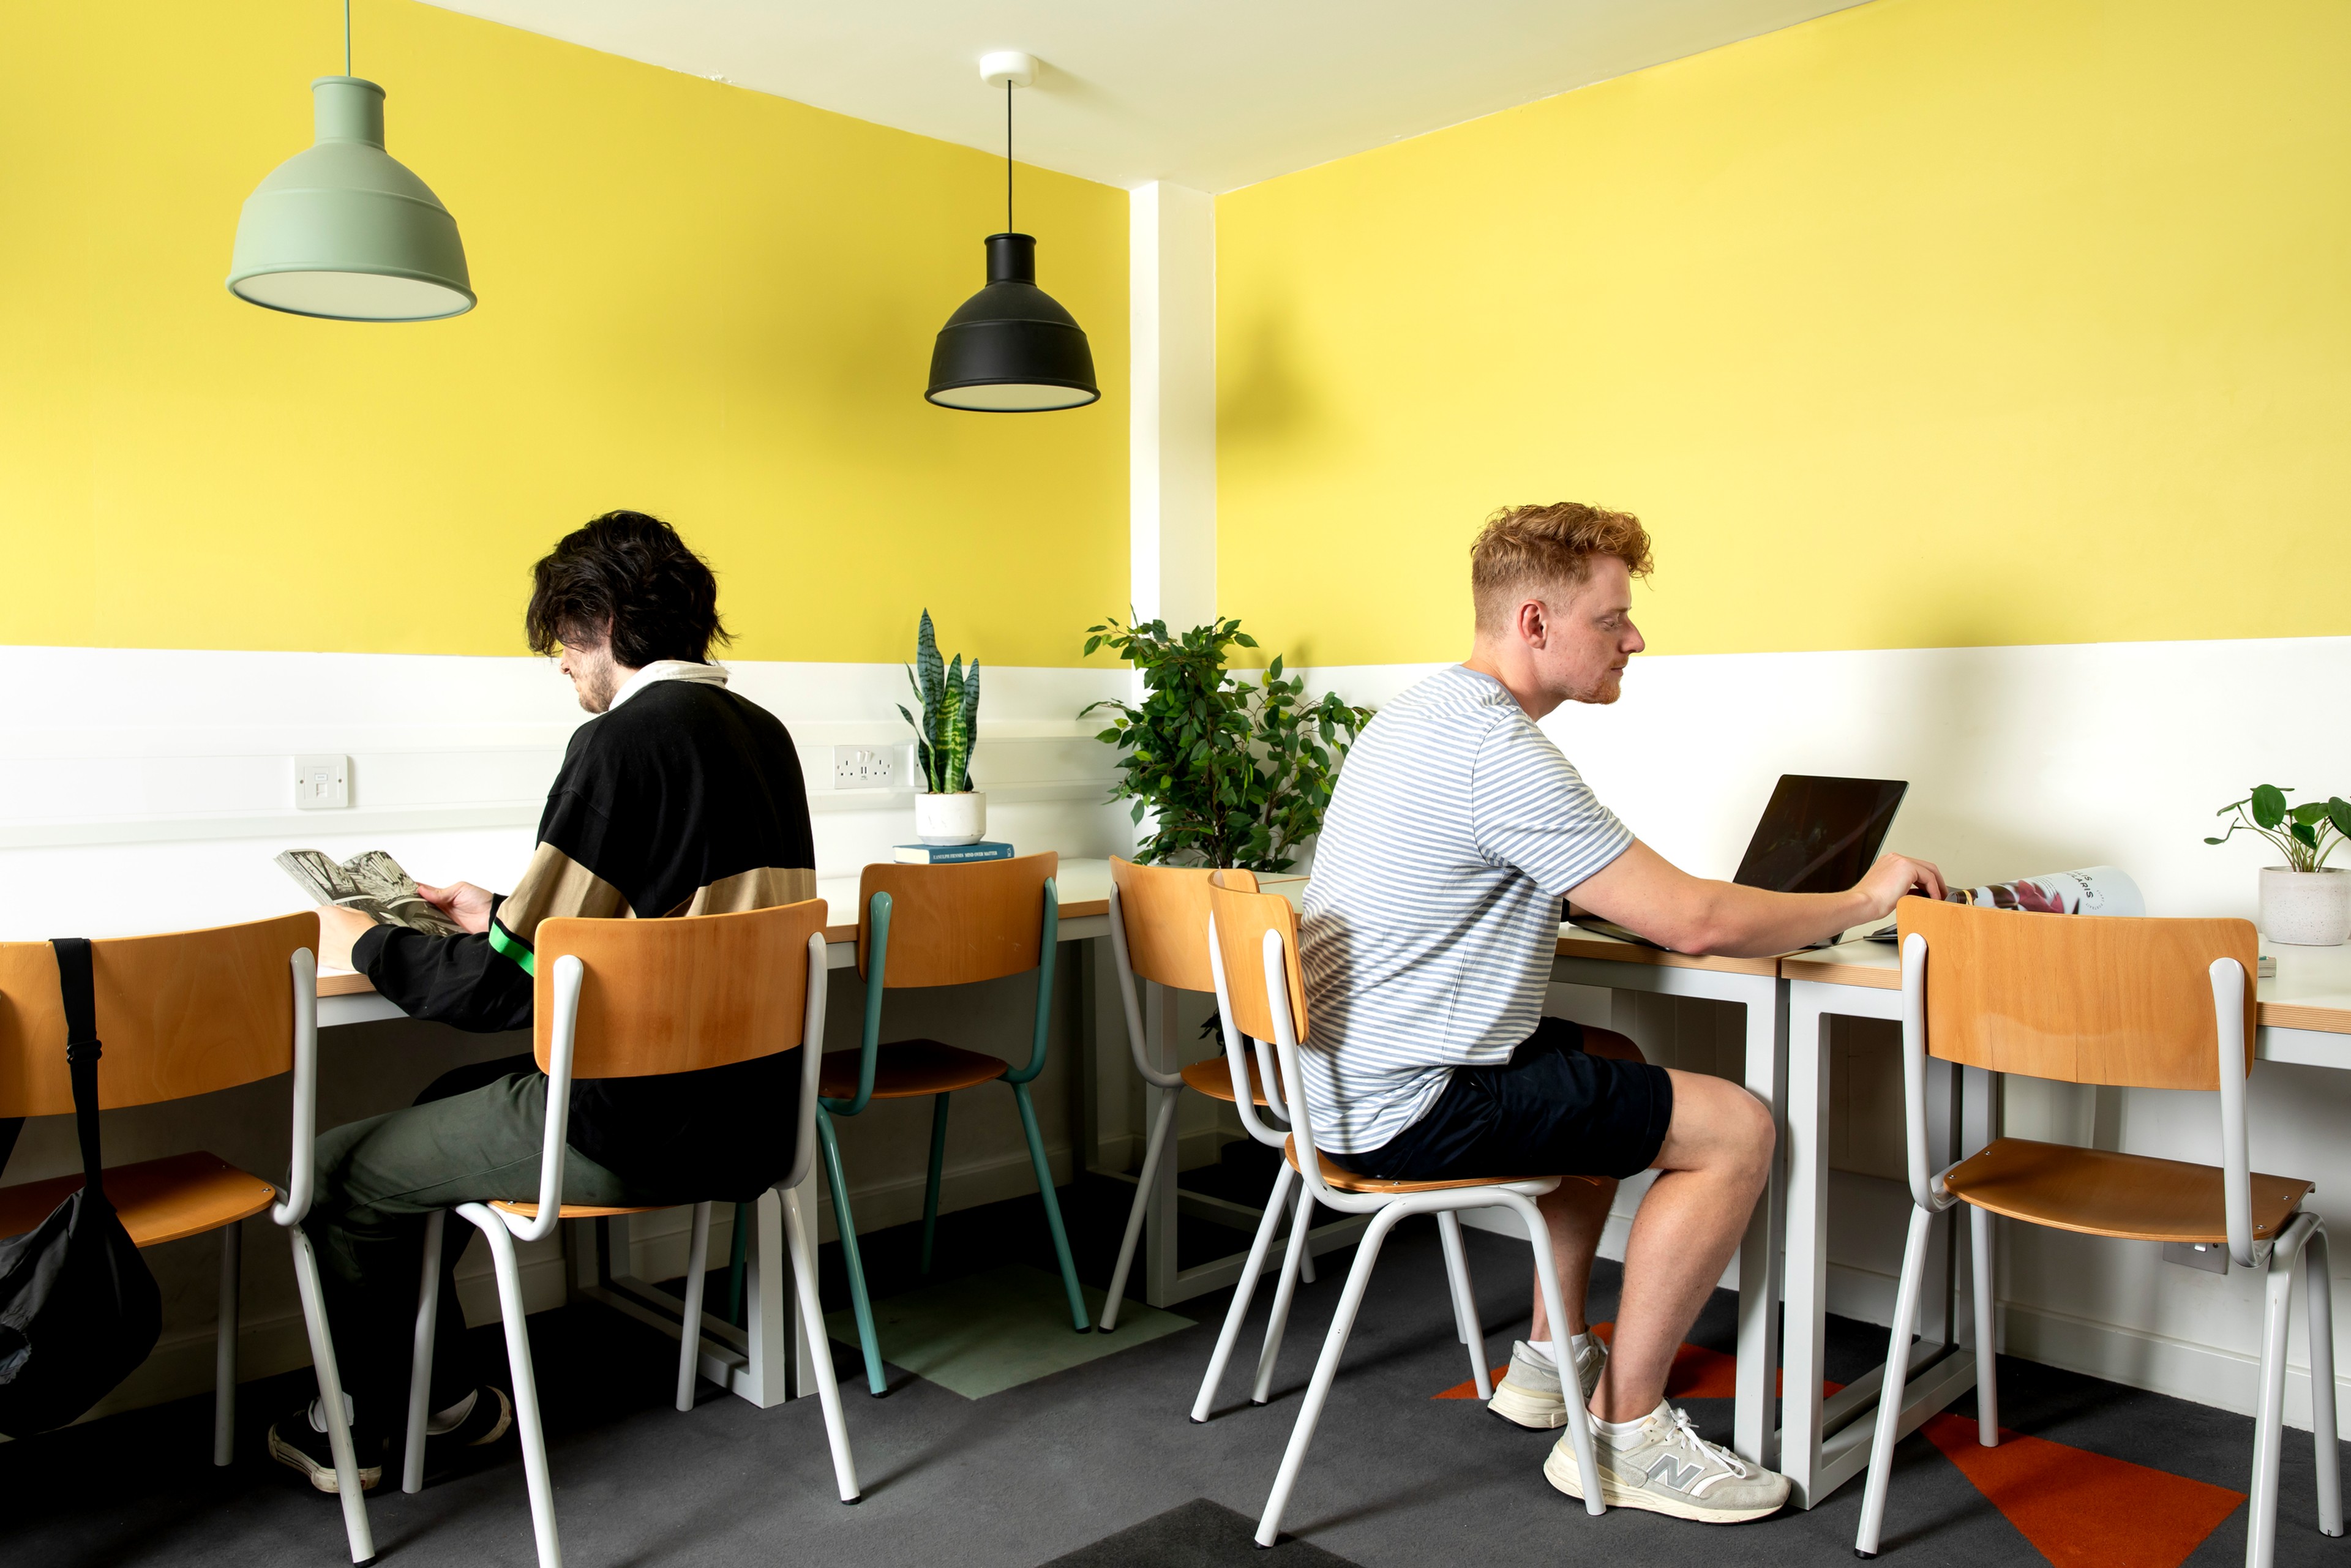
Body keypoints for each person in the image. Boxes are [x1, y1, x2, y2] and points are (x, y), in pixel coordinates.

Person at [1297, 502, 1945, 1524]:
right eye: (1613, 619)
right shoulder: (1496, 749)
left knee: (1609, 1052)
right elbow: (1693, 921)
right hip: (1409, 1104)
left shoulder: (1422, 715)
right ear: (1537, 623)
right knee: (1737, 1129)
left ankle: (1548, 1358)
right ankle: (1625, 1433)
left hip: (1336, 1087)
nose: (1635, 638)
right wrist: (1865, 898)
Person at [268, 511, 819, 1493]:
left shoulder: (618, 743)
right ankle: (443, 1397)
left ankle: (368, 1421)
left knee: (333, 1173)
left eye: (564, 635)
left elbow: (500, 990)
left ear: (602, 620)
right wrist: (499, 911)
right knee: (443, 1097)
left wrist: (370, 941)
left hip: (640, 1127)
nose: (561, 662)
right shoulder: (764, 737)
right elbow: (656, 925)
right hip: (753, 1119)